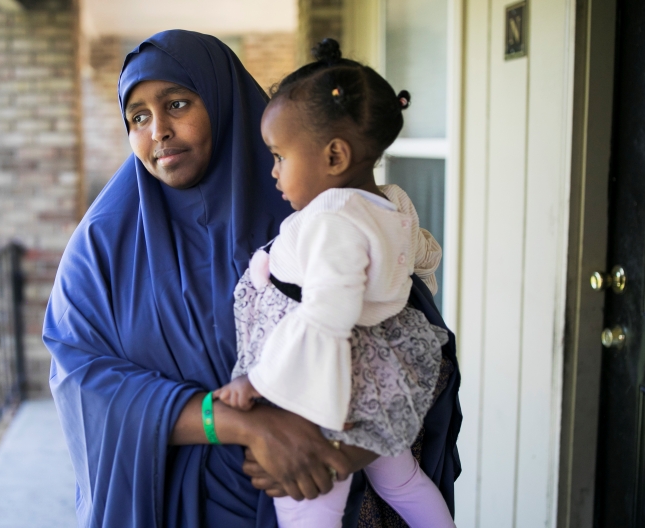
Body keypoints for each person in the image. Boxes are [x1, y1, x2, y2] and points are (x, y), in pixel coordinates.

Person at [44, 30, 461, 528]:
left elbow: (412, 346)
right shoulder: (103, 244)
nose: (158, 130)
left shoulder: (317, 208)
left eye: (177, 103)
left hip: (320, 489)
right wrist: (243, 425)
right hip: (172, 507)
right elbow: (82, 380)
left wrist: (350, 451)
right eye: (137, 116)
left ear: (224, 103)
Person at [211, 39, 455, 528]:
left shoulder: (331, 219)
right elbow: (425, 253)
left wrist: (257, 381)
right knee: (402, 481)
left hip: (327, 384)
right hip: (379, 371)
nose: (274, 171)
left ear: (335, 155)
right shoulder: (392, 202)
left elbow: (325, 317)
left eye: (280, 155)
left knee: (309, 508)